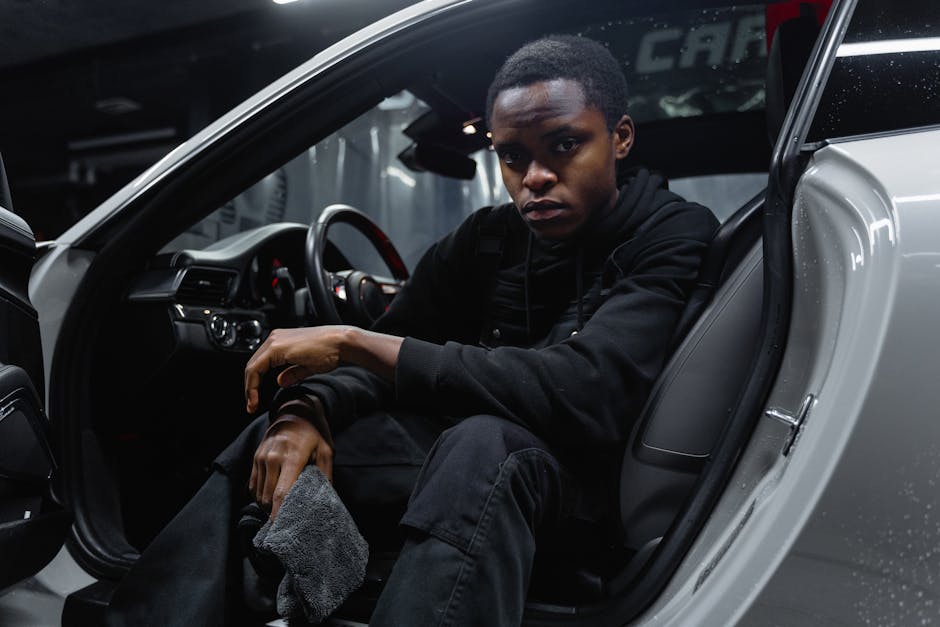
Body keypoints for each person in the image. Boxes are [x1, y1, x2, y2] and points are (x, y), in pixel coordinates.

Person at [107, 35, 717, 627]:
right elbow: (387, 362)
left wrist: (355, 339)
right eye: (512, 156)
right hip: (466, 468)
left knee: (484, 442)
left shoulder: (669, 231)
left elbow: (592, 392)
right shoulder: (487, 240)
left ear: (621, 138)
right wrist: (305, 410)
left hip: (585, 495)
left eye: (563, 146)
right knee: (275, 439)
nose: (534, 177)